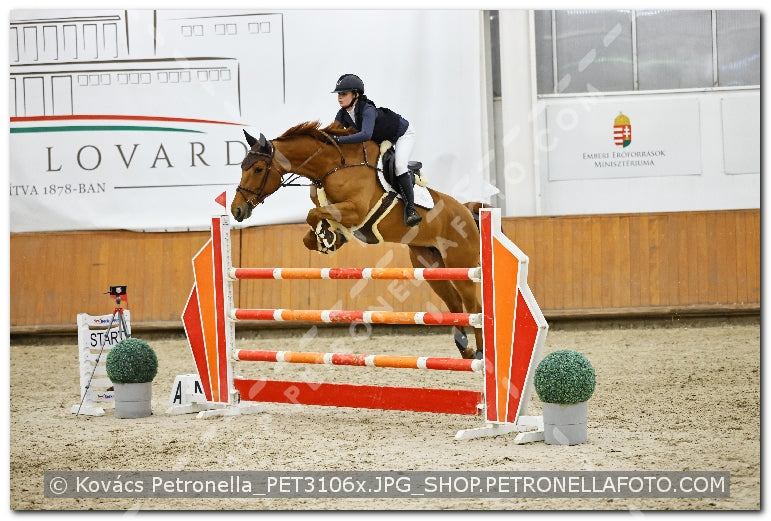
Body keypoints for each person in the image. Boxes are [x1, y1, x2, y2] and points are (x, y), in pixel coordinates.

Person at [330, 73, 422, 227]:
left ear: (356, 95)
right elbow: (334, 132)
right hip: (382, 137)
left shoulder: (368, 110)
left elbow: (366, 135)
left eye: (344, 94)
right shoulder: (342, 114)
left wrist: (339, 140)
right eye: (339, 94)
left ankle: (411, 210)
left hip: (402, 134)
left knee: (399, 166)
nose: (340, 97)